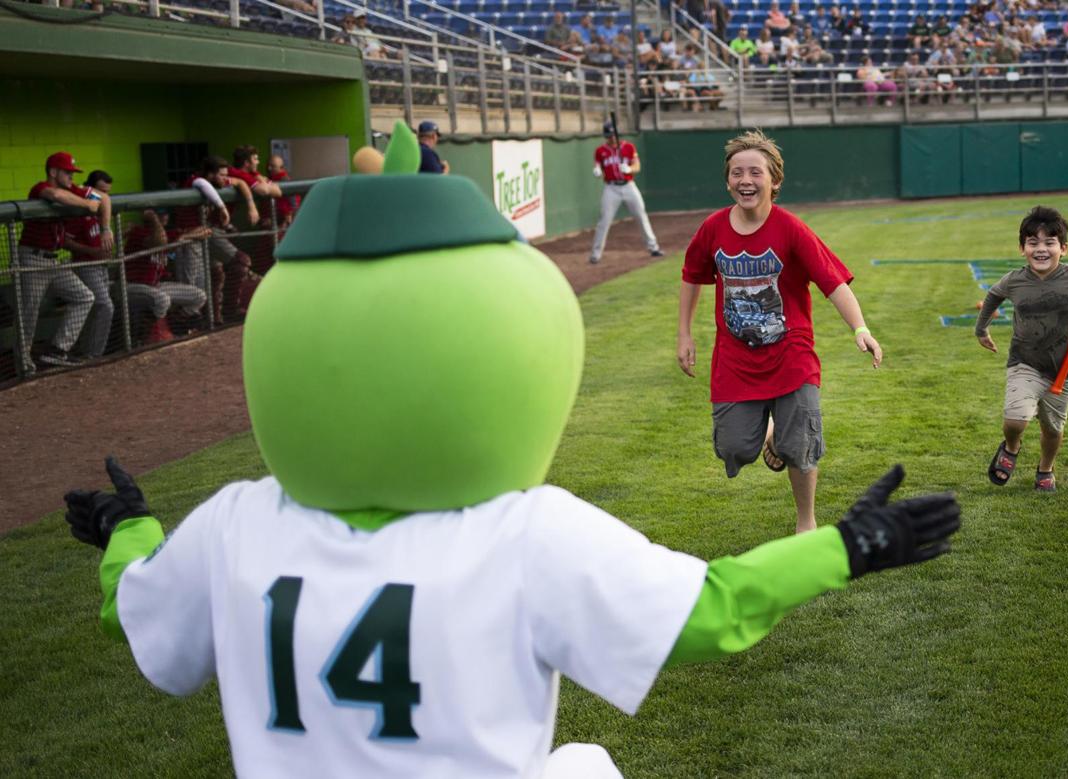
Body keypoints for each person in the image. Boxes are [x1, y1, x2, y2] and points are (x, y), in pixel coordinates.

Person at [64, 128, 959, 777]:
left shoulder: (234, 525)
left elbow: (132, 614)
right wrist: (844, 547)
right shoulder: (523, 534)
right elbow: (713, 611)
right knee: (585, 763)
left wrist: (128, 530)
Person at [677, 131, 883, 534]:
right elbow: (691, 275)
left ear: (774, 181)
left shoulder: (791, 229)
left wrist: (860, 328)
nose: (745, 180)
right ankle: (770, 432)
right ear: (728, 180)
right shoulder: (713, 228)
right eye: (737, 172)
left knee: (800, 447)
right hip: (735, 360)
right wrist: (684, 334)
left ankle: (806, 522)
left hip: (791, 354)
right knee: (733, 448)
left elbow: (833, 283)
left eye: (756, 172)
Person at [977, 206, 1068, 492]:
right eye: (1033, 242)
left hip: (1063, 371)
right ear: (1022, 249)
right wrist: (981, 329)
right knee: (1015, 419)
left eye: (1049, 242)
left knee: (1052, 429)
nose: (1041, 249)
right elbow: (993, 296)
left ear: (1063, 248)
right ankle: (1011, 446)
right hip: (1025, 363)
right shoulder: (1015, 280)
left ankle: (1045, 468)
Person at [13, 151, 111, 372]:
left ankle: (57, 350)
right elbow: (55, 195)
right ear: (53, 172)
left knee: (84, 297)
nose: (71, 176)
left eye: (72, 173)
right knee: (28, 313)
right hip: (32, 258)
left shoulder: (72, 189)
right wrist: (87, 204)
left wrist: (105, 228)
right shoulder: (40, 188)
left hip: (53, 260)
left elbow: (103, 198)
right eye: (67, 172)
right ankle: (23, 366)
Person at [173, 155, 258, 325]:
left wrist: (250, 206)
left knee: (212, 277)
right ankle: (190, 323)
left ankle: (218, 316)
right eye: (222, 175)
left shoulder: (217, 182)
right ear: (210, 174)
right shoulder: (196, 181)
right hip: (188, 237)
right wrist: (221, 207)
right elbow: (201, 183)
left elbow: (240, 182)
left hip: (204, 233)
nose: (226, 179)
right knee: (194, 286)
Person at [122, 209, 210, 345]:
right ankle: (145, 339)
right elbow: (159, 241)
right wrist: (154, 220)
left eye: (166, 213)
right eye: (161, 214)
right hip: (131, 287)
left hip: (155, 286)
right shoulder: (139, 232)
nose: (165, 216)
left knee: (199, 296)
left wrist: (183, 237)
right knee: (162, 299)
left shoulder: (168, 234)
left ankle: (174, 322)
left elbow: (206, 231)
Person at [588, 122, 663, 264]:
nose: (611, 138)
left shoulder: (628, 147)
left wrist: (629, 169)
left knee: (641, 215)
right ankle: (595, 254)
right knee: (604, 220)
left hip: (628, 186)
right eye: (608, 136)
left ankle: (653, 247)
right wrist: (597, 171)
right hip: (611, 188)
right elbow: (598, 166)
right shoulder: (600, 151)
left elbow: (637, 165)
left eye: (612, 135)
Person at [63, 170, 116, 361]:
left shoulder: (104, 211)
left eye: (107, 191)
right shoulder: (80, 210)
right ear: (90, 188)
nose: (104, 195)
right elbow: (65, 242)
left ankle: (86, 350)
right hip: (84, 264)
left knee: (96, 308)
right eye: (101, 190)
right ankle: (93, 354)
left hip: (101, 265)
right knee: (104, 305)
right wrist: (91, 251)